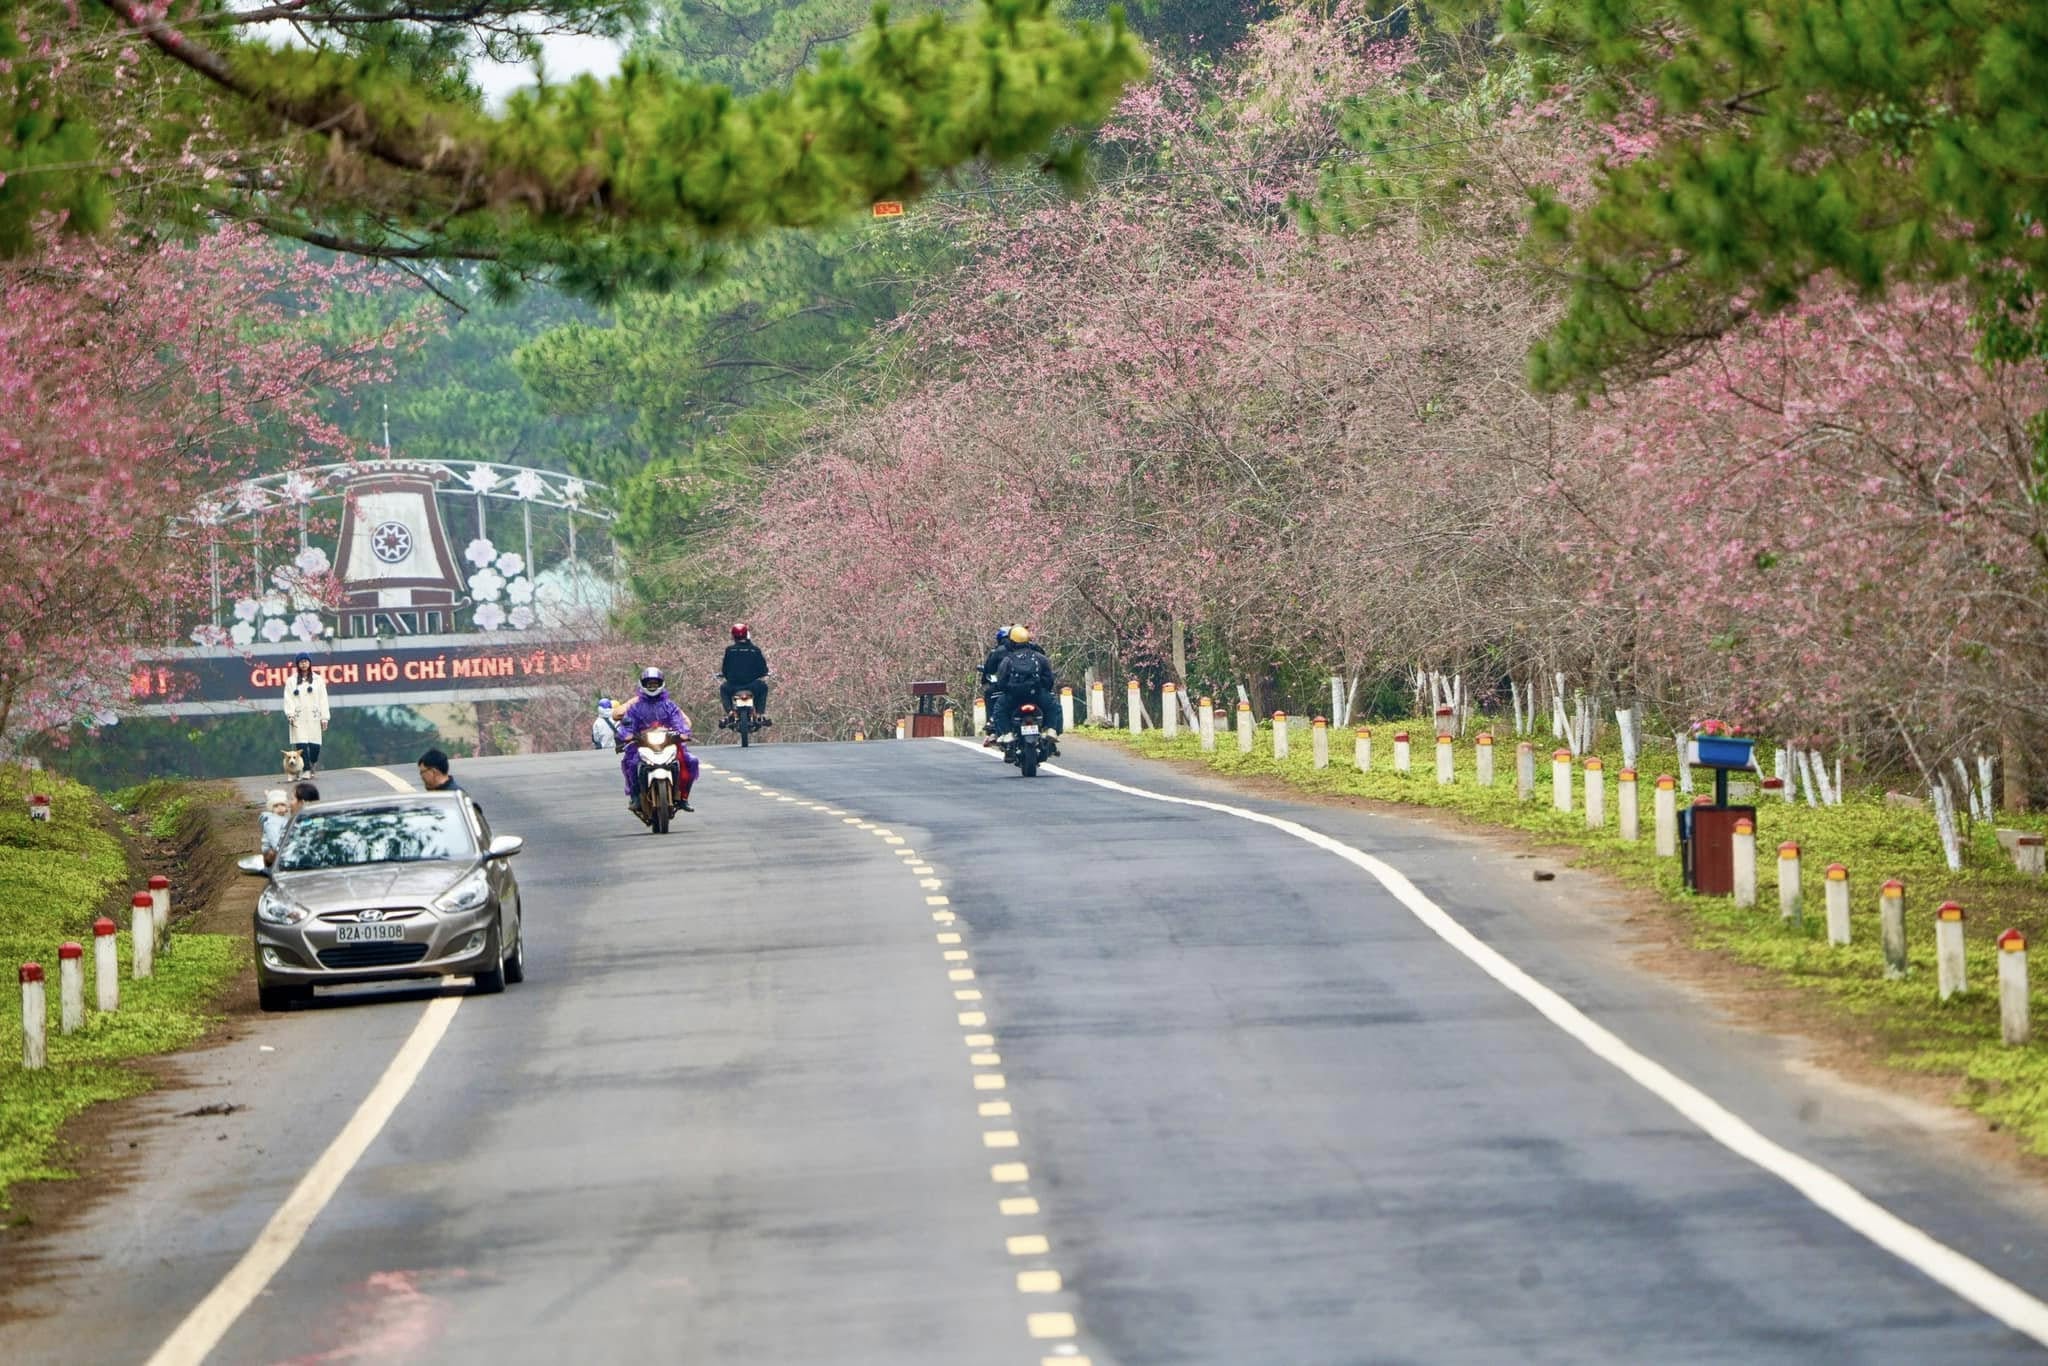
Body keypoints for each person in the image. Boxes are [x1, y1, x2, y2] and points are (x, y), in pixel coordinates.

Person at [617, 667, 699, 813]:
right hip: (642, 744)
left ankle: (683, 797)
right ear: (643, 684)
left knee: (691, 761)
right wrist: (627, 735)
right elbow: (628, 724)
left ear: (661, 684)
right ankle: (635, 796)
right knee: (633, 762)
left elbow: (678, 722)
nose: (652, 687)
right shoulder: (635, 707)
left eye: (655, 684)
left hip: (667, 743)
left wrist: (683, 733)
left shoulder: (669, 706)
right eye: (649, 684)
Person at [988, 626, 1060, 749]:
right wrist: (1043, 689)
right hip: (1036, 694)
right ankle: (1051, 729)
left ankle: (1007, 733)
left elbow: (1001, 682)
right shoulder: (1039, 657)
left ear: (1011, 642)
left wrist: (1008, 690)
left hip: (1014, 697)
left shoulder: (1007, 660)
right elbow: (1049, 680)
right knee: (1054, 707)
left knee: (999, 708)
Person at [281, 653, 330, 773]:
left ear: (310, 663)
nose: (304, 664)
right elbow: (288, 698)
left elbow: (323, 699)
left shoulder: (318, 680)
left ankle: (312, 763)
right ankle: (306, 769)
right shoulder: (291, 681)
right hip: (299, 717)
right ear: (297, 664)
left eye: (306, 661)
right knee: (301, 745)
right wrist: (290, 714)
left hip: (314, 716)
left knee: (315, 746)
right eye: (301, 662)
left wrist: (324, 718)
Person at [718, 623, 772, 722]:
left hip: (733, 686)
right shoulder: (755, 650)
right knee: (764, 687)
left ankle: (730, 712)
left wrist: (726, 675)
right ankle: (760, 713)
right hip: (753, 686)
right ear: (747, 634)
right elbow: (763, 669)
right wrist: (764, 673)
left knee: (723, 688)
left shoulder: (730, 650)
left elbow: (725, 669)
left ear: (733, 636)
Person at [978, 626, 1015, 733]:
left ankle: (991, 720)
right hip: (1032, 687)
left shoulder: (998, 651)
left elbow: (989, 668)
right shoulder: (1031, 648)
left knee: (990, 694)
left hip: (1006, 686)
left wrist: (984, 679)